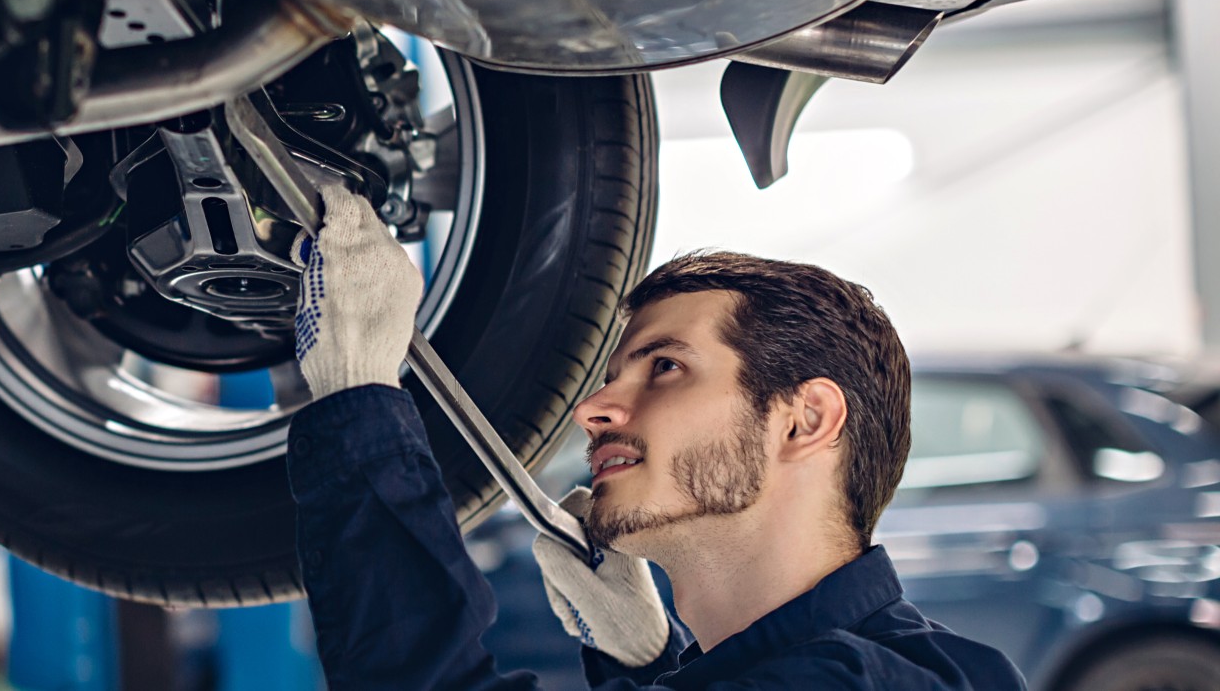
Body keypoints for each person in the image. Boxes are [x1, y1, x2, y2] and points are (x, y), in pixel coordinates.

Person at [285, 185, 1025, 690]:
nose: (593, 408)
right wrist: (648, 661)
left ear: (805, 420)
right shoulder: (955, 669)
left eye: (665, 367)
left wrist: (359, 399)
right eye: (613, 376)